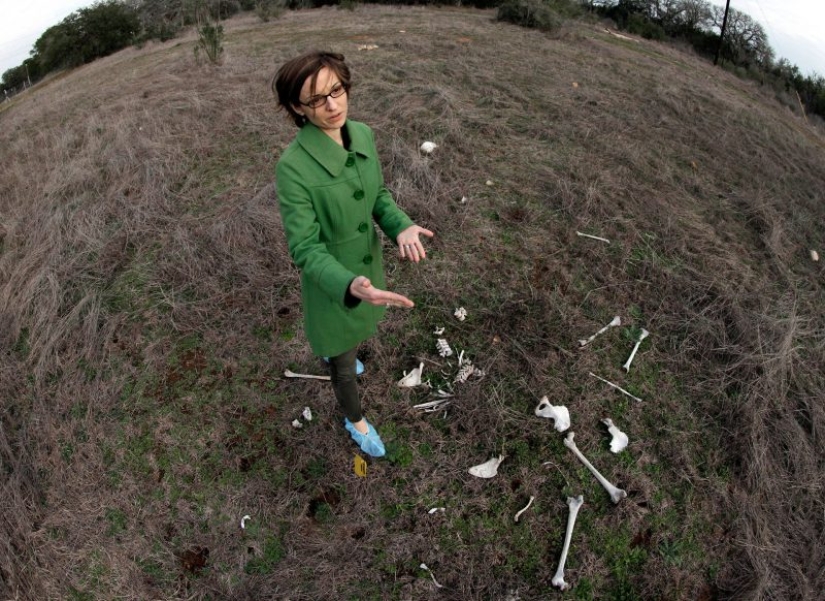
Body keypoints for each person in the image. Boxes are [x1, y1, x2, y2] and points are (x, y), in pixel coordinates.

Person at [273, 51, 434, 458]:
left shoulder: (361, 133)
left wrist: (400, 225)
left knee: (359, 334)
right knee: (343, 365)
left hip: (368, 267)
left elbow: (376, 194)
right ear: (297, 107)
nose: (332, 106)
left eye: (337, 91)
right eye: (316, 100)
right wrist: (348, 284)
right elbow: (305, 248)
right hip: (334, 287)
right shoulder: (292, 168)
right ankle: (355, 419)